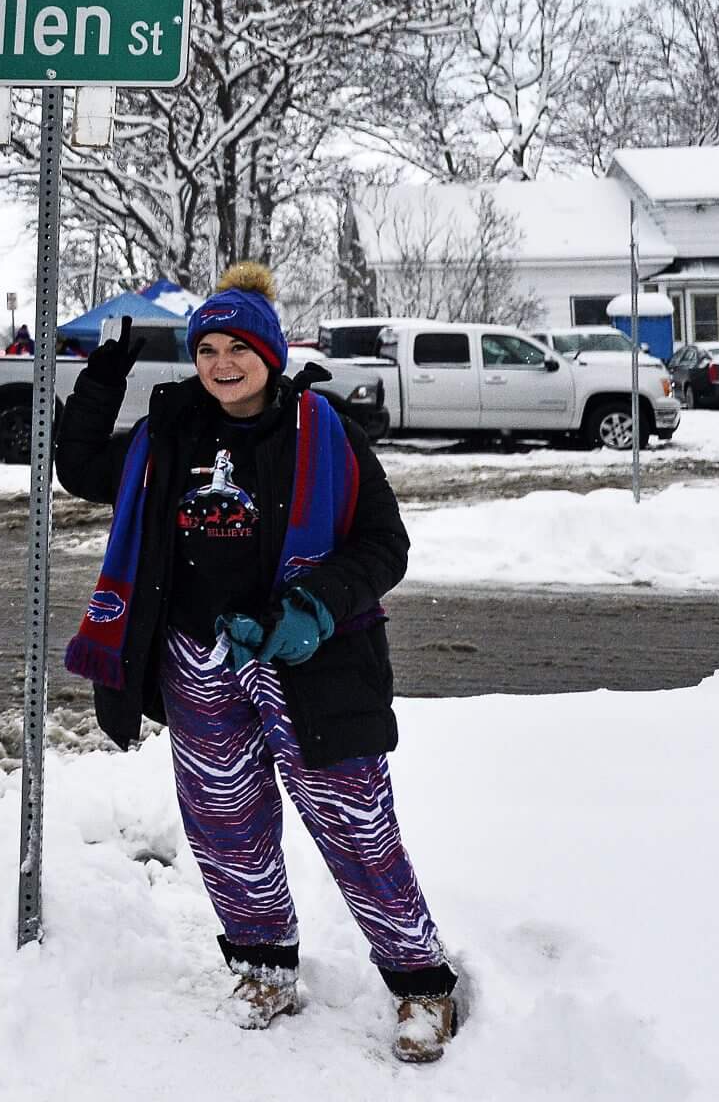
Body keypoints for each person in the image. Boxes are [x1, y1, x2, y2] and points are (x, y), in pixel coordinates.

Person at [57, 262, 461, 1063]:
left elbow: (385, 545)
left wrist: (316, 608)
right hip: (196, 657)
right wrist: (103, 375)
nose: (220, 363)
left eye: (236, 346)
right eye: (206, 348)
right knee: (225, 825)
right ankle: (264, 965)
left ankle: (422, 985)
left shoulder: (325, 431)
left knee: (354, 823)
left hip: (308, 659)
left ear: (269, 352)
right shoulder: (169, 432)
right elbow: (78, 469)